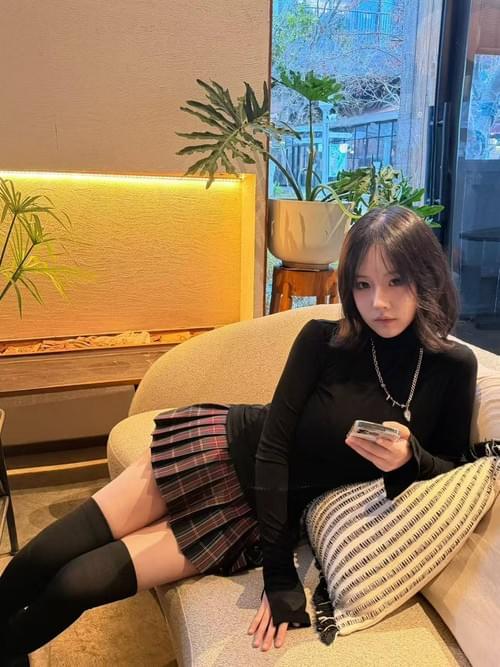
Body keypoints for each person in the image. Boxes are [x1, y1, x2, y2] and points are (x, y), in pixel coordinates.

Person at [0, 206, 478, 665]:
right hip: (220, 450)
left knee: (78, 583)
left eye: (396, 281)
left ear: (426, 278)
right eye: (363, 284)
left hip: (243, 517)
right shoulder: (324, 340)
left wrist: (409, 459)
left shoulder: (453, 367)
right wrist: (278, 572)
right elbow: (273, 445)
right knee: (54, 550)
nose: (378, 302)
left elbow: (453, 467)